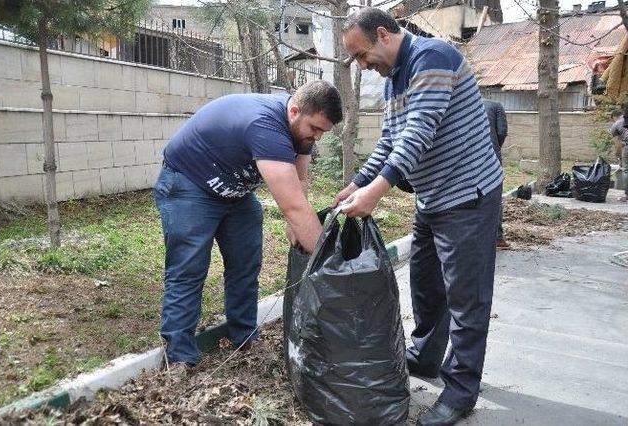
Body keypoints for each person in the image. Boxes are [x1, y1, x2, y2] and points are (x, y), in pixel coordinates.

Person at [336, 8, 503, 426]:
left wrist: (377, 190)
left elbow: (420, 130)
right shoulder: (394, 78)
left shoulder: (432, 57)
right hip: (432, 197)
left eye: (361, 55)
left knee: (467, 298)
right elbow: (391, 138)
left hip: (468, 197)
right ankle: (426, 357)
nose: (362, 65)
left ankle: (461, 390)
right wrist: (358, 182)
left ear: (383, 35)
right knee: (426, 285)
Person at [154, 81, 343, 367]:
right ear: (294, 111)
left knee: (246, 263)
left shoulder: (300, 129)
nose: (317, 137)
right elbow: (291, 206)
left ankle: (243, 336)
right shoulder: (265, 126)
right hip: (188, 185)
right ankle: (179, 357)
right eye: (315, 129)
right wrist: (329, 263)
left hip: (234, 193)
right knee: (189, 269)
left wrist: (297, 225)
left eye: (323, 132)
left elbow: (299, 183)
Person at [483, 99, 510, 249]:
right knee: (493, 195)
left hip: (464, 158)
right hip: (491, 156)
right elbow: (501, 132)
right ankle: (498, 238)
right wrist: (495, 148)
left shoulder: (458, 104)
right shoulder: (496, 106)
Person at [609, 108, 628, 201]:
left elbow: (618, 144)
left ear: (614, 117)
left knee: (626, 170)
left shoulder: (616, 124)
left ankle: (627, 195)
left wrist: (619, 157)